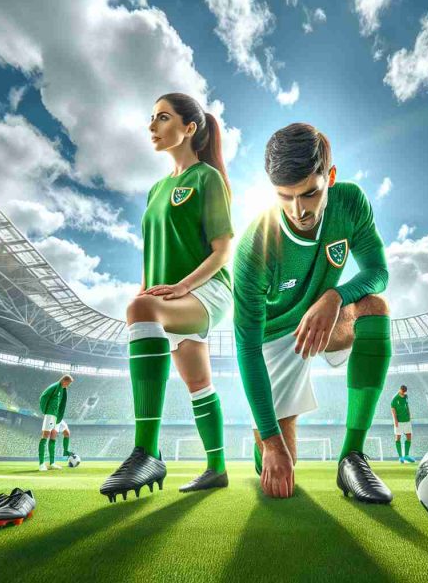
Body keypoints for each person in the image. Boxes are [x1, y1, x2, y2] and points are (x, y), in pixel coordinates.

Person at [234, 123, 393, 503]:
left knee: (374, 309)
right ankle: (266, 439)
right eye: (284, 197)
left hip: (324, 319)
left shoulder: (350, 202)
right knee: (280, 474)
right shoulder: (254, 248)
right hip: (273, 340)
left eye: (309, 193)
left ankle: (352, 457)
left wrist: (335, 296)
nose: (298, 210)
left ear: (331, 177)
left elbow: (378, 273)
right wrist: (271, 442)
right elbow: (248, 348)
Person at [100, 93, 235, 502]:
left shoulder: (206, 178)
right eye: (151, 117)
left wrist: (180, 288)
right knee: (198, 383)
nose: (152, 125)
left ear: (190, 128)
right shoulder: (156, 189)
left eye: (162, 117)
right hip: (168, 295)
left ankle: (146, 452)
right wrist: (147, 291)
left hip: (206, 289)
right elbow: (152, 252)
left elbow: (223, 248)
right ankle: (217, 469)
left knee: (141, 310)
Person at [38, 375, 72, 471]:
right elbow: (43, 397)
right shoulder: (54, 387)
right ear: (64, 381)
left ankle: (52, 463)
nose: (68, 385)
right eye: (68, 383)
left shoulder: (62, 389)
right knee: (45, 436)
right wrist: (46, 410)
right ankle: (41, 464)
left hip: (57, 416)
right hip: (50, 414)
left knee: (53, 437)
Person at [391, 385, 415, 463]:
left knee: (409, 436)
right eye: (402, 392)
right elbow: (393, 410)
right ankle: (400, 457)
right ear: (400, 390)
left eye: (404, 392)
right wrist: (395, 421)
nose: (403, 393)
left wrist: (410, 415)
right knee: (398, 437)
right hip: (399, 421)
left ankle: (406, 456)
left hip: (406, 420)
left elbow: (407, 406)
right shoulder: (395, 399)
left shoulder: (406, 396)